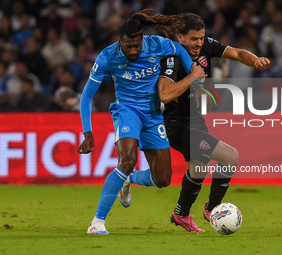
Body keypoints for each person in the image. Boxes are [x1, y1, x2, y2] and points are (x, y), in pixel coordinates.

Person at [77, 9, 206, 235]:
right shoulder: (108, 56)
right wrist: (87, 132)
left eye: (137, 45)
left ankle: (128, 179)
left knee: (163, 178)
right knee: (127, 159)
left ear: (142, 39)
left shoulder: (156, 44)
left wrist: (194, 82)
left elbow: (180, 51)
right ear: (120, 41)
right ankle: (97, 222)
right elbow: (87, 95)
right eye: (129, 46)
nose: (133, 50)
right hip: (126, 110)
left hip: (154, 114)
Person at [156, 13, 270, 232]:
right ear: (180, 37)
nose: (199, 43)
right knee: (230, 156)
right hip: (176, 125)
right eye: (193, 38)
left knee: (198, 171)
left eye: (201, 37)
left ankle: (181, 214)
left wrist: (254, 59)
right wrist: (192, 77)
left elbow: (236, 53)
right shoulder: (172, 58)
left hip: (195, 119)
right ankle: (214, 208)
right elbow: (164, 94)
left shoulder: (206, 46)